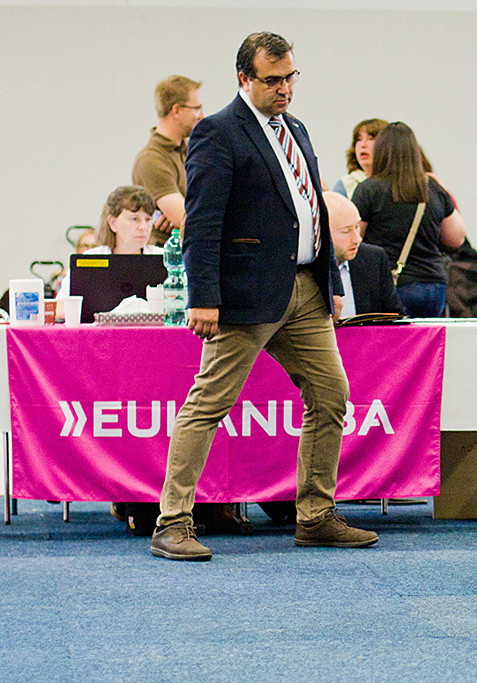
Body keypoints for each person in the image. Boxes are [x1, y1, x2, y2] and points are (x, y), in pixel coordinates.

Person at [149, 31, 378, 561]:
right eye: (272, 80)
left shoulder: (296, 128)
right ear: (244, 79)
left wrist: (331, 284)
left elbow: (314, 211)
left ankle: (316, 516)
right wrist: (203, 297)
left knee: (331, 396)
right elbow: (202, 223)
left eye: (289, 78)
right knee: (209, 403)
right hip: (243, 295)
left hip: (306, 290)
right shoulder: (217, 132)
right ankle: (172, 523)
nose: (284, 89)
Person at [352, 121, 466, 318]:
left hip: (390, 284)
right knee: (424, 347)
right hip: (433, 286)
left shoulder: (368, 189)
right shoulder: (433, 188)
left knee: (394, 346)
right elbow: (456, 238)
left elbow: (354, 237)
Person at [131, 75, 203, 246]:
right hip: (167, 262)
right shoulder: (152, 160)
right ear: (176, 110)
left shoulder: (191, 150)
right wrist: (181, 219)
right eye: (197, 108)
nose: (202, 115)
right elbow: (190, 221)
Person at [56, 186, 162, 299]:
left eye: (148, 219)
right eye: (134, 219)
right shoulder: (89, 260)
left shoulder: (166, 259)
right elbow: (61, 306)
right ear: (113, 223)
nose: (143, 227)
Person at [323, 191, 404, 316]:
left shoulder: (373, 259)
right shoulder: (304, 268)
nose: (357, 239)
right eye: (346, 231)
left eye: (357, 227)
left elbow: (394, 317)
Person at [332, 118, 388, 197]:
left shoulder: (399, 184)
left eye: (371, 139)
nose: (363, 145)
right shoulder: (347, 184)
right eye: (358, 140)